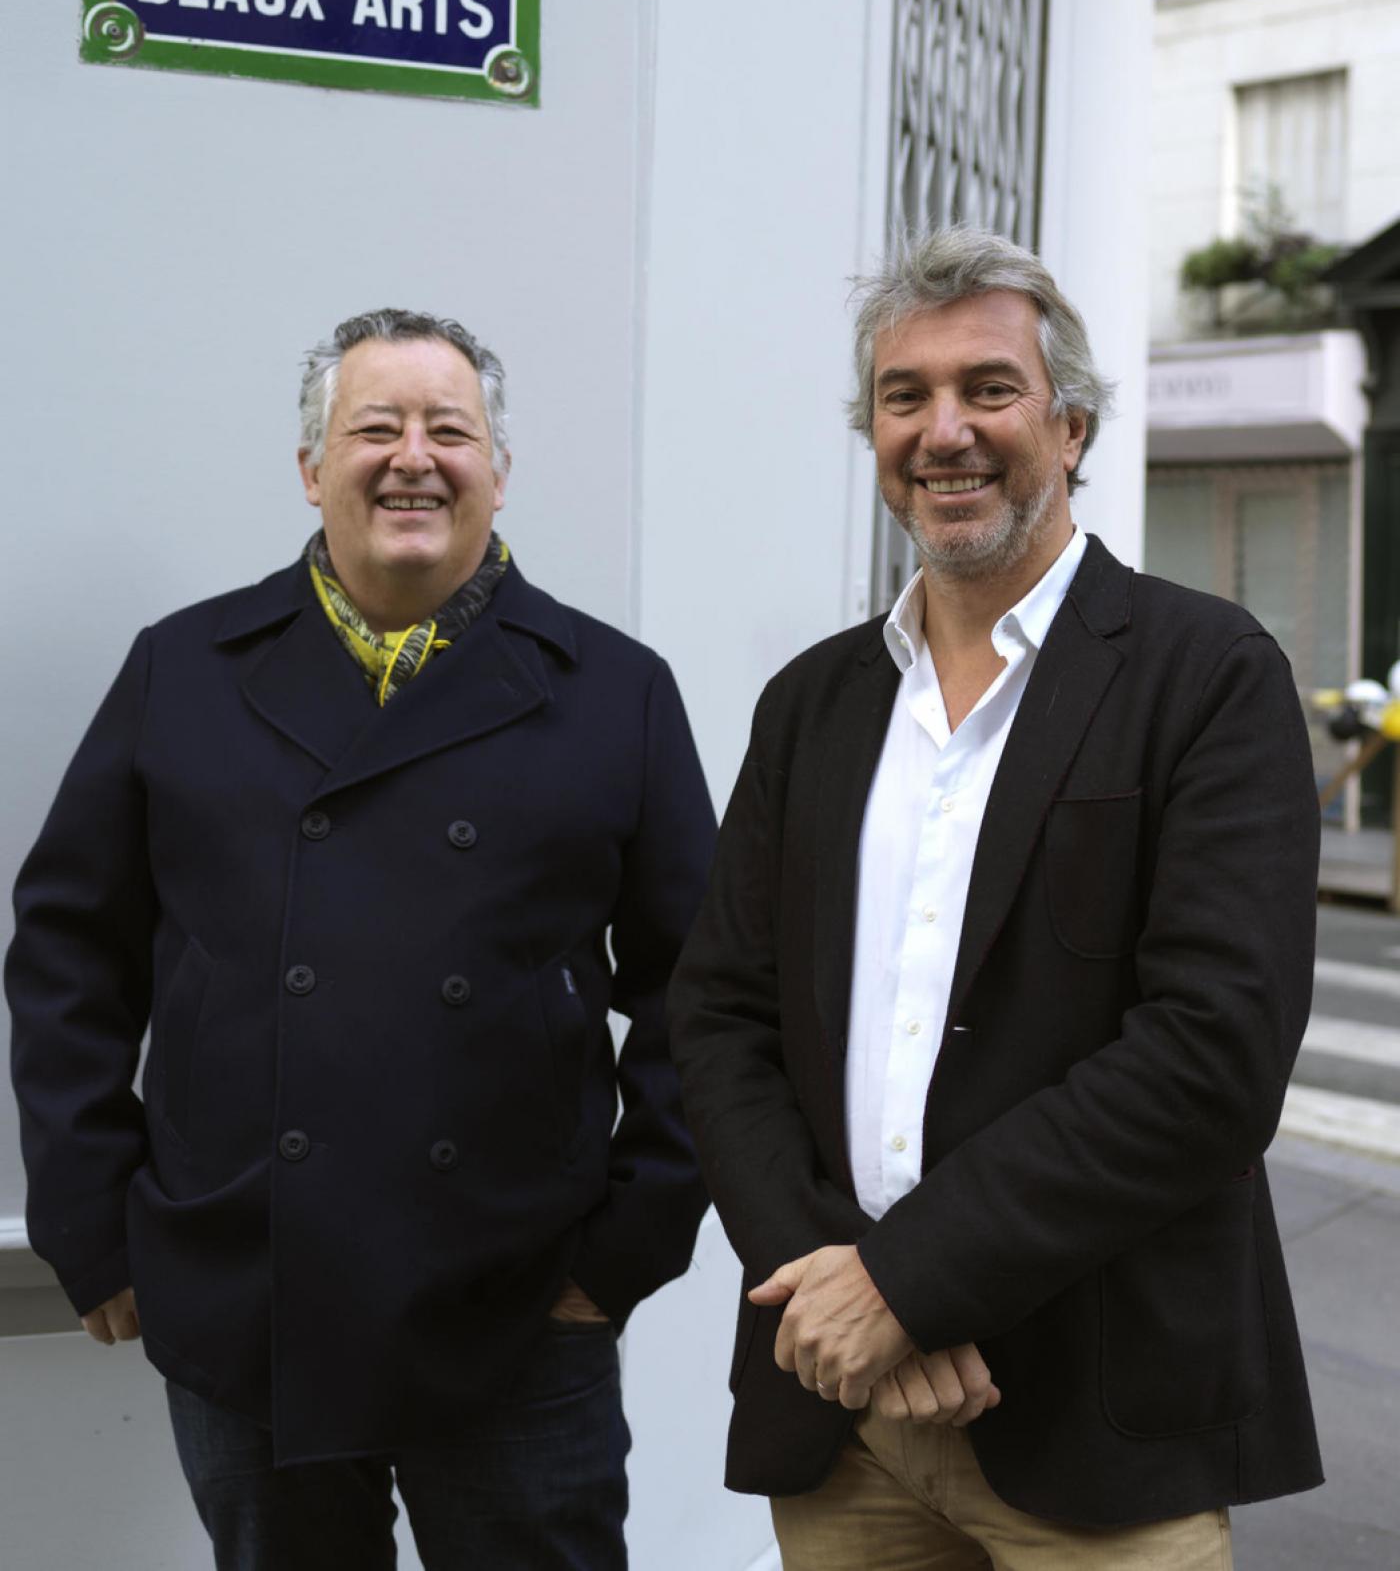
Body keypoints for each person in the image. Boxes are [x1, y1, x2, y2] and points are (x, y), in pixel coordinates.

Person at [7, 308, 715, 1571]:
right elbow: (69, 954)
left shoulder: (616, 691)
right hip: (250, 1294)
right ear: (309, 466)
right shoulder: (185, 671)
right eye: (373, 426)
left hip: (517, 1302)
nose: (412, 457)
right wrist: (95, 1228)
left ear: (498, 469)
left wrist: (625, 1247)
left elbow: (702, 990)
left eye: (450, 429)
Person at [669, 228, 1322, 1569]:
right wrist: (832, 1287)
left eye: (989, 388)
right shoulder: (816, 702)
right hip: (841, 1416)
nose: (944, 430)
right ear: (873, 435)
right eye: (905, 396)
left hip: (1096, 1426)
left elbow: (1212, 1056)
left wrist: (909, 1283)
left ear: (1070, 424)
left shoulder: (1206, 674)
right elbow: (722, 1014)